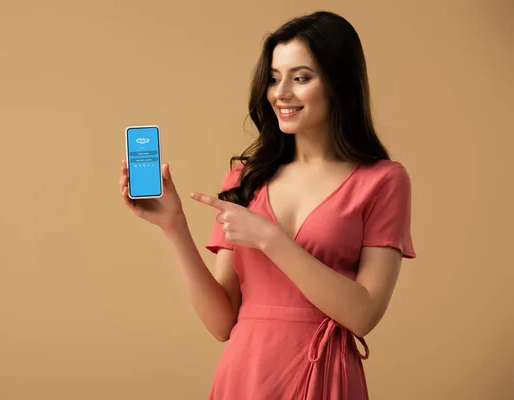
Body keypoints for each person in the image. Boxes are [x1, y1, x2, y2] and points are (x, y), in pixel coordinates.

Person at [120, 10, 416, 400]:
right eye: (274, 79)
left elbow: (363, 314)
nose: (281, 93)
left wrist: (270, 239)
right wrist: (174, 227)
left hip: (325, 378)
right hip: (245, 374)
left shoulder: (383, 180)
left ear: (338, 83)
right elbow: (222, 322)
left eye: (301, 78)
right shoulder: (245, 179)